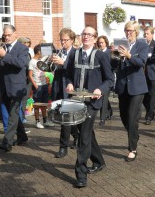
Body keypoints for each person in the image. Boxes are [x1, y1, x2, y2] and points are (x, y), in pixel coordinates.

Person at [66, 26, 114, 188]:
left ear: (95, 38)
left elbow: (109, 79)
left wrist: (100, 89)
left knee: (83, 138)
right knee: (86, 133)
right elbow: (67, 74)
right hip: (77, 101)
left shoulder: (101, 55)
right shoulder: (75, 54)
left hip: (92, 103)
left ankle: (81, 174)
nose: (85, 36)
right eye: (83, 34)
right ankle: (99, 161)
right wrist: (70, 83)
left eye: (89, 34)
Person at [115, 21, 148, 162]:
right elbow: (113, 65)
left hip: (137, 87)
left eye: (130, 31)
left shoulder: (142, 45)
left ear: (136, 32)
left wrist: (129, 56)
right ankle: (134, 135)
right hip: (123, 85)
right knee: (123, 116)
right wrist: (114, 55)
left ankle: (132, 149)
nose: (128, 33)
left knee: (132, 116)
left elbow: (141, 62)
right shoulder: (120, 44)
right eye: (126, 30)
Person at [0, 25, 28, 152]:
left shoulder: (23, 48)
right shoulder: (3, 47)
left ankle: (7, 142)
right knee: (12, 113)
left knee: (13, 115)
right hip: (4, 86)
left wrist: (5, 55)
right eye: (5, 35)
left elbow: (20, 64)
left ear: (15, 34)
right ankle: (22, 136)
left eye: (9, 35)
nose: (6, 37)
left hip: (17, 87)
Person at [52, 28, 79, 158]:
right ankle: (76, 135)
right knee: (66, 117)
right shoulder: (59, 52)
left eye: (66, 40)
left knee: (65, 118)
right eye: (61, 40)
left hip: (69, 88)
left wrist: (63, 63)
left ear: (72, 40)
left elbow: (76, 70)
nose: (63, 43)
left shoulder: (76, 53)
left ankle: (63, 147)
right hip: (58, 86)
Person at [28, 44, 53, 128]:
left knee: (44, 104)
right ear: (38, 52)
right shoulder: (32, 62)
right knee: (37, 104)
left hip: (44, 84)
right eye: (42, 51)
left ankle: (45, 120)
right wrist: (35, 86)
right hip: (38, 85)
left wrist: (47, 82)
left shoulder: (41, 61)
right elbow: (30, 75)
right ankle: (37, 121)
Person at [142, 26, 155, 125]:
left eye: (147, 34)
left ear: (152, 34)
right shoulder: (142, 44)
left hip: (152, 73)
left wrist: (150, 57)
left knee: (152, 96)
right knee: (143, 96)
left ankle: (149, 116)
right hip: (143, 74)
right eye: (144, 34)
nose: (146, 36)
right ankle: (151, 110)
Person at [97, 35, 113, 125]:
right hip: (99, 78)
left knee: (104, 98)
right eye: (99, 43)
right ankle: (109, 110)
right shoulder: (97, 52)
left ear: (106, 43)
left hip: (108, 78)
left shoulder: (110, 52)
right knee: (104, 98)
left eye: (102, 43)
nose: (100, 44)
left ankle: (102, 119)